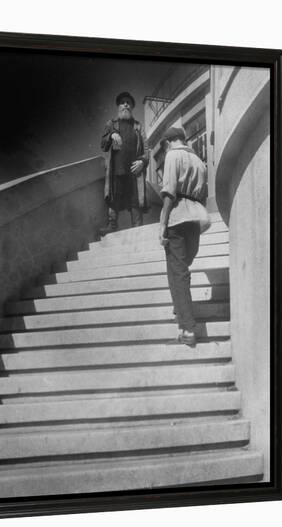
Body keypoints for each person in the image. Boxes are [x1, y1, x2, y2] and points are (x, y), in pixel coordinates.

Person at [158, 126, 211, 347]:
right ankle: (180, 308)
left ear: (169, 142)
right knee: (181, 268)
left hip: (178, 218)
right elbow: (205, 194)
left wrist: (162, 222)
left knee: (177, 271)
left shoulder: (172, 155)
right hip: (195, 219)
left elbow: (169, 192)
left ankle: (188, 329)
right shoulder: (199, 161)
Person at [99, 92, 149, 236]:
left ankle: (138, 229)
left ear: (132, 107)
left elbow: (146, 149)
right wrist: (110, 136)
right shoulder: (111, 124)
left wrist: (143, 161)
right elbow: (103, 145)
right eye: (122, 102)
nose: (125, 104)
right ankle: (112, 226)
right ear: (118, 106)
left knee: (135, 201)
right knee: (114, 197)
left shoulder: (138, 126)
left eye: (128, 102)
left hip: (134, 171)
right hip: (117, 169)